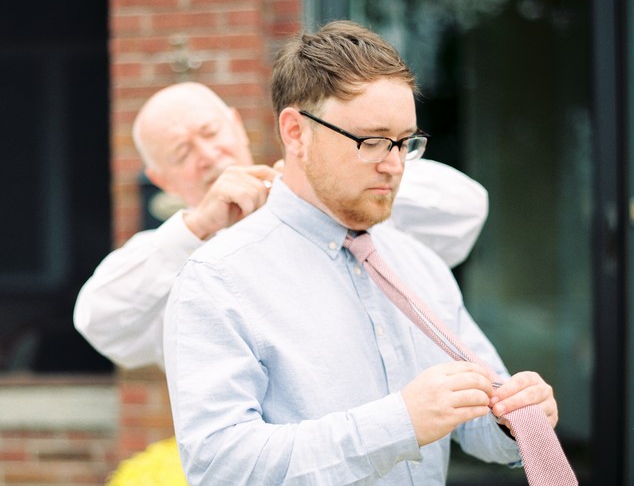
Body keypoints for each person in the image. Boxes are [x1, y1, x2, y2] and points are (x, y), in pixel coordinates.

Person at [163, 21, 560, 486]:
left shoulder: (420, 264)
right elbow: (223, 468)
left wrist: (518, 419)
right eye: (371, 140)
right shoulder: (218, 278)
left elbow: (475, 413)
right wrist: (398, 422)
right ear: (296, 132)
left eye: (405, 142)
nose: (394, 164)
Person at [73, 82, 489, 372]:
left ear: (236, 124)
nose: (206, 154)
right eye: (182, 152)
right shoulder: (167, 258)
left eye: (210, 132)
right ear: (161, 179)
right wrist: (197, 228)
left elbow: (465, 210)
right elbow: (99, 322)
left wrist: (330, 181)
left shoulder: (340, 208)